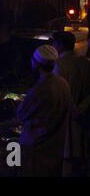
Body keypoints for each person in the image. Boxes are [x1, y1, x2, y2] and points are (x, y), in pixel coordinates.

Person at [17, 45, 72, 177]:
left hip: (37, 148)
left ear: (37, 64)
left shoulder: (41, 89)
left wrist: (18, 104)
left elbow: (21, 114)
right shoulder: (63, 83)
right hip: (56, 146)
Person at [52, 31, 90, 176]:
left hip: (68, 119)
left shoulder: (59, 66)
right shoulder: (86, 63)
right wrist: (82, 108)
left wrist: (74, 110)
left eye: (54, 43)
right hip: (84, 117)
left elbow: (60, 94)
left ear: (60, 45)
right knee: (81, 158)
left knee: (67, 159)